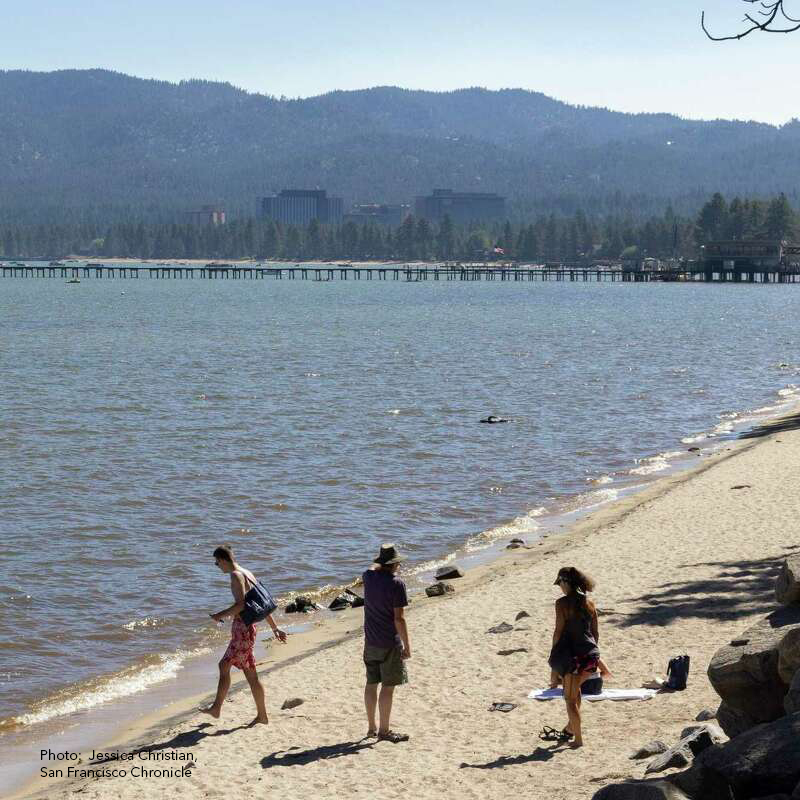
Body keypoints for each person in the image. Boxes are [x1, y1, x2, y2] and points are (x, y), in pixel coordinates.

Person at [202, 545, 287, 725]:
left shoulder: (235, 575)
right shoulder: (247, 572)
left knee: (224, 666)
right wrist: (275, 628)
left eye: (217, 564)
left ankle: (217, 708)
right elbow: (263, 604)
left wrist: (219, 615)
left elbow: (240, 606)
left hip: (243, 630)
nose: (218, 567)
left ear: (223, 560)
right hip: (248, 629)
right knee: (250, 675)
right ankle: (262, 716)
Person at [547, 566, 605, 748]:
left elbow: (558, 631)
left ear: (566, 582)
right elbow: (595, 633)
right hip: (591, 655)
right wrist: (590, 650)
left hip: (573, 658)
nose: (560, 588)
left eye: (560, 584)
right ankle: (570, 729)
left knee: (570, 700)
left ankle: (578, 739)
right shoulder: (590, 603)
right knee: (575, 692)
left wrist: (554, 659)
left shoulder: (562, 604)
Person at [362, 543, 411, 743]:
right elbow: (398, 619)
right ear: (395, 564)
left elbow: (371, 567)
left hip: (370, 640)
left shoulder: (368, 576)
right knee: (388, 687)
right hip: (389, 642)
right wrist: (407, 645)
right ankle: (384, 730)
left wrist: (379, 562)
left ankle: (371, 727)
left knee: (371, 683)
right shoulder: (397, 584)